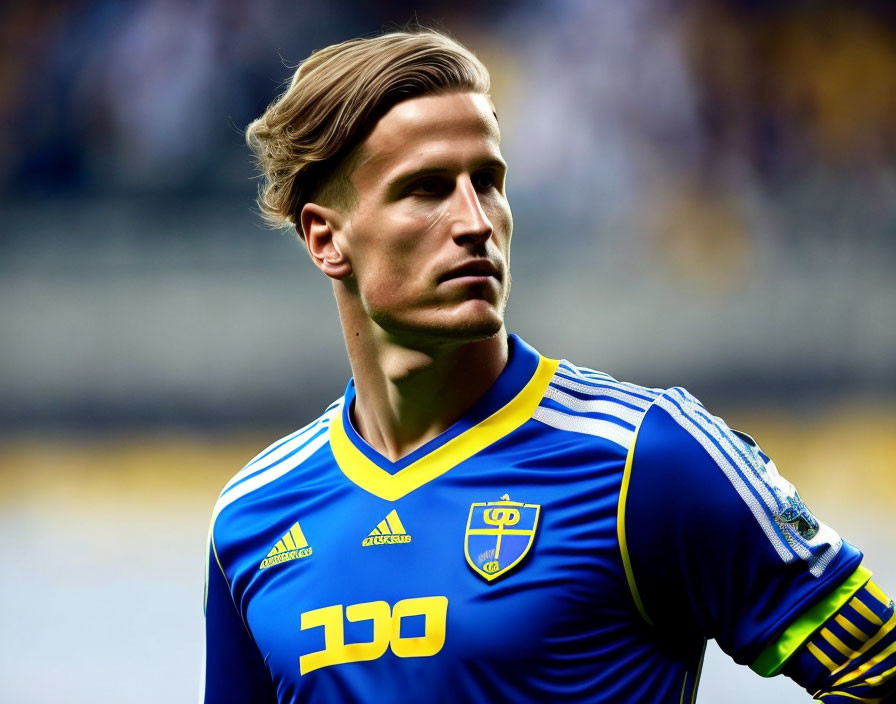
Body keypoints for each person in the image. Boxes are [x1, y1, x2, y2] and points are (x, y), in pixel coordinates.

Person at [202, 29, 895, 704]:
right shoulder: (253, 518)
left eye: (490, 182)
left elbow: (879, 673)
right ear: (326, 238)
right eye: (428, 189)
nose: (476, 221)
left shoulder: (648, 460)